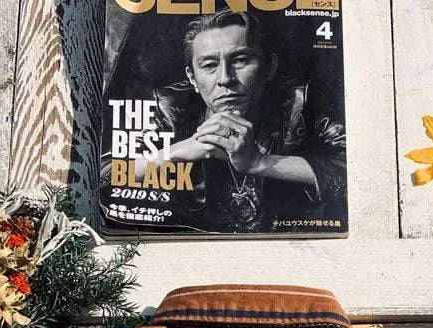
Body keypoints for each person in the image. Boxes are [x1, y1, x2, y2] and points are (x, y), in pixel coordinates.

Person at [102, 10, 346, 235]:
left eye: (240, 60)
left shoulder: (302, 102)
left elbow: (351, 173)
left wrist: (259, 162)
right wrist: (176, 152)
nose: (225, 79)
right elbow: (102, 179)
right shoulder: (168, 108)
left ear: (270, 66)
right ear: (192, 77)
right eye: (209, 65)